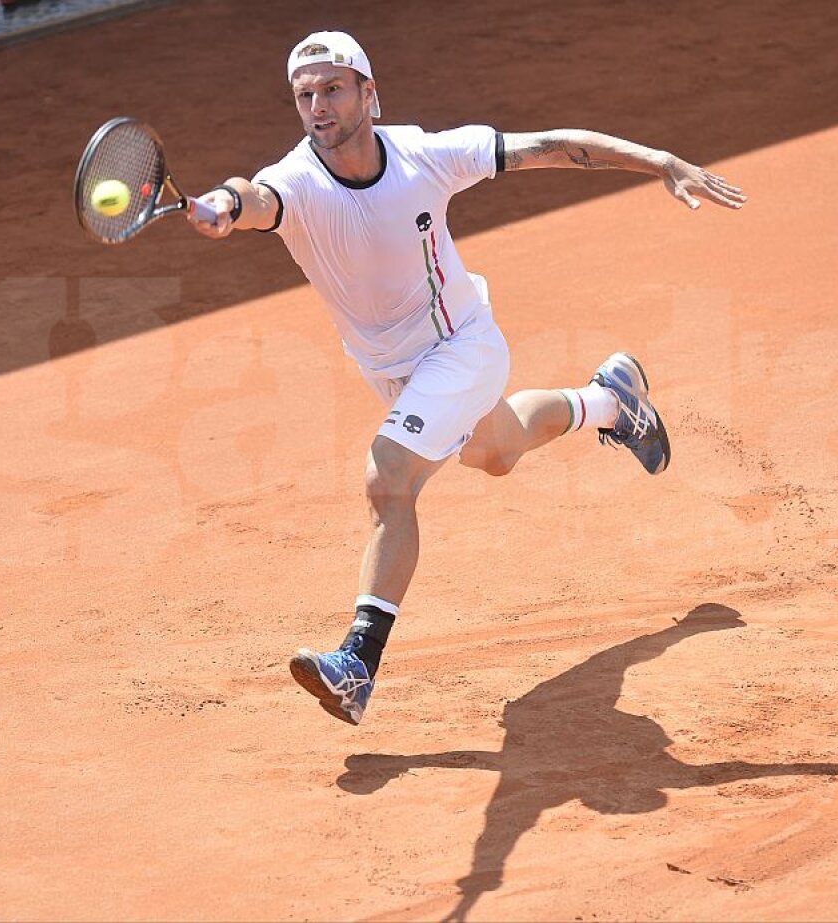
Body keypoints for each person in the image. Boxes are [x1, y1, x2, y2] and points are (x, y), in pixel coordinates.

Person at [189, 30, 746, 725]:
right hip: (391, 371)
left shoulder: (425, 155)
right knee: (499, 450)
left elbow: (550, 146)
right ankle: (612, 401)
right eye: (305, 96)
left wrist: (657, 159)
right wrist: (225, 205)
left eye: (332, 88)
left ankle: (357, 664)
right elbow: (255, 198)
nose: (317, 106)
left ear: (369, 92)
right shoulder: (297, 181)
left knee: (389, 476)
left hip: (461, 347)